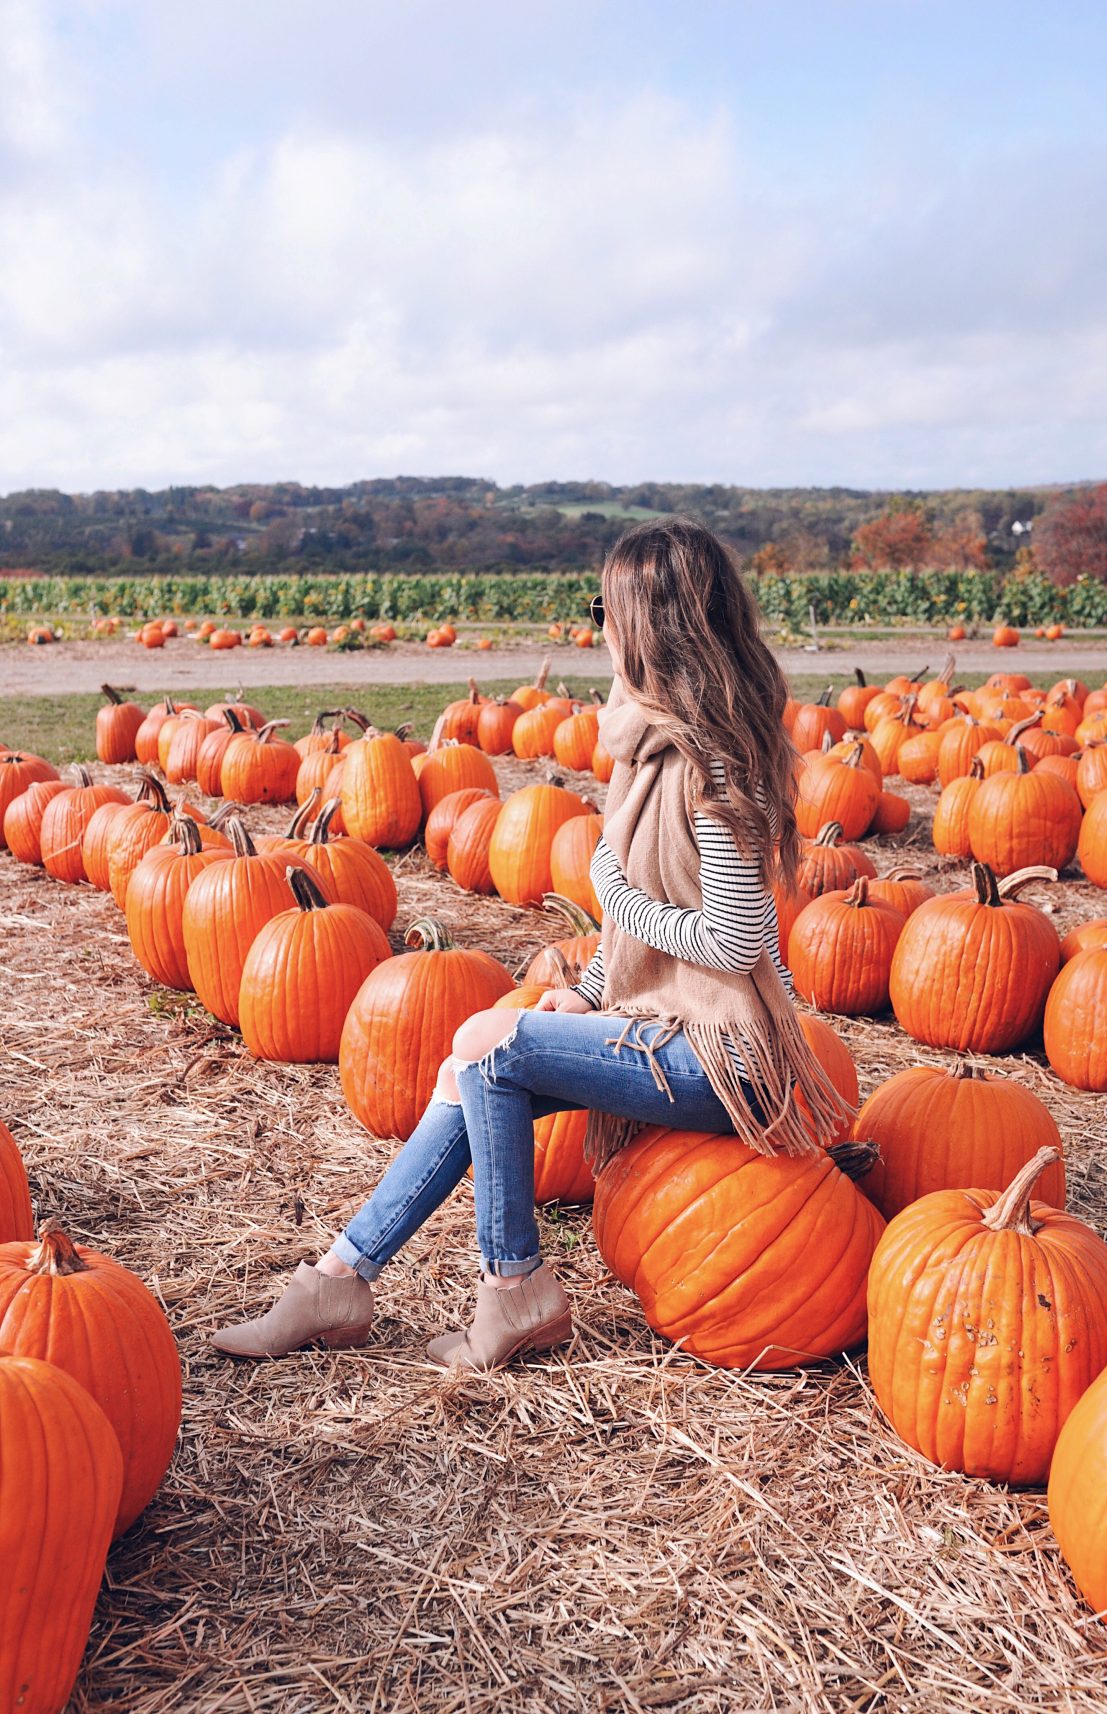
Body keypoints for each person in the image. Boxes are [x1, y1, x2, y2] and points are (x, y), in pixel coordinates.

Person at [211, 517, 847, 1372]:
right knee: (469, 1063)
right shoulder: (648, 741)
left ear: (650, 624)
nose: (599, 629)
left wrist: (617, 893)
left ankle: (507, 1290)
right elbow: (650, 924)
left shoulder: (711, 766)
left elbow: (739, 940)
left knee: (487, 1052)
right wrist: (589, 991)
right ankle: (341, 1278)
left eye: (605, 609)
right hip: (669, 1024)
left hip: (720, 1053)